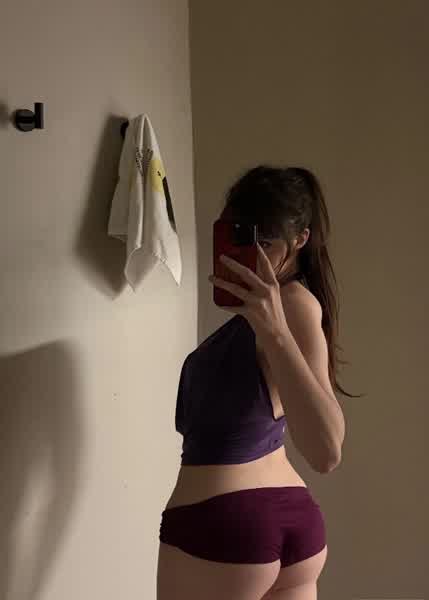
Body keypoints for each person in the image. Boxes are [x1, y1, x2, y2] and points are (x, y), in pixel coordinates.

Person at [157, 166, 353, 600]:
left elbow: (326, 451)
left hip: (223, 528)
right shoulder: (289, 308)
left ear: (300, 240)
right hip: (289, 523)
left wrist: (273, 329)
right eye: (241, 238)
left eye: (267, 243)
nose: (254, 255)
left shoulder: (293, 306)